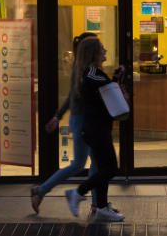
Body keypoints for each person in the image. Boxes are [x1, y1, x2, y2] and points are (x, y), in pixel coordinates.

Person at [30, 32, 99, 213]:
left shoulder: (84, 68)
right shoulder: (84, 70)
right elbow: (73, 97)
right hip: (83, 121)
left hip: (82, 120)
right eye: (99, 46)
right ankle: (40, 190)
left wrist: (57, 116)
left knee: (93, 162)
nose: (102, 49)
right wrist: (57, 116)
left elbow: (71, 97)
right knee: (81, 164)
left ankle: (97, 203)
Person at [65, 36, 125, 222]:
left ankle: (101, 207)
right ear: (94, 53)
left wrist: (115, 78)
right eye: (102, 48)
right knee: (111, 169)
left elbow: (106, 88)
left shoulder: (93, 73)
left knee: (103, 168)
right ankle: (78, 192)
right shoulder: (92, 74)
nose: (105, 51)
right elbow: (109, 90)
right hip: (96, 130)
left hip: (97, 129)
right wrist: (116, 82)